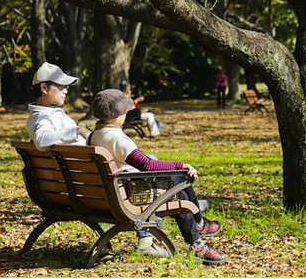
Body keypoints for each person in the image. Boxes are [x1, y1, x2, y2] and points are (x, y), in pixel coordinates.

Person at [26, 63, 165, 258]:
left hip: (81, 187)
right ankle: (153, 232)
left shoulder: (45, 115)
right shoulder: (43, 120)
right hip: (98, 187)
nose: (66, 91)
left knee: (147, 162)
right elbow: (41, 139)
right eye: (61, 86)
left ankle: (179, 205)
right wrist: (76, 130)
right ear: (44, 88)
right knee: (150, 164)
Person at [89, 89, 227, 266]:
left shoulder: (95, 135)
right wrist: (180, 165)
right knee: (180, 179)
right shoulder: (117, 139)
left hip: (108, 196)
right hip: (131, 197)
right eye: (124, 111)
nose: (126, 114)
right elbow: (146, 165)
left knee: (176, 180)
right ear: (116, 117)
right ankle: (198, 234)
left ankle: (199, 228)